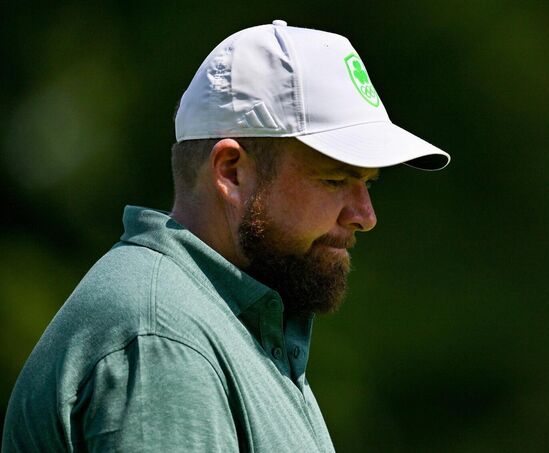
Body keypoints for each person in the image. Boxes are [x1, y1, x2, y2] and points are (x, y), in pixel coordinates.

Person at [3, 20, 449, 452]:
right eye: (335, 180)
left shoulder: (224, 325)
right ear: (231, 172)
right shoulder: (166, 343)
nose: (365, 216)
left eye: (367, 184)